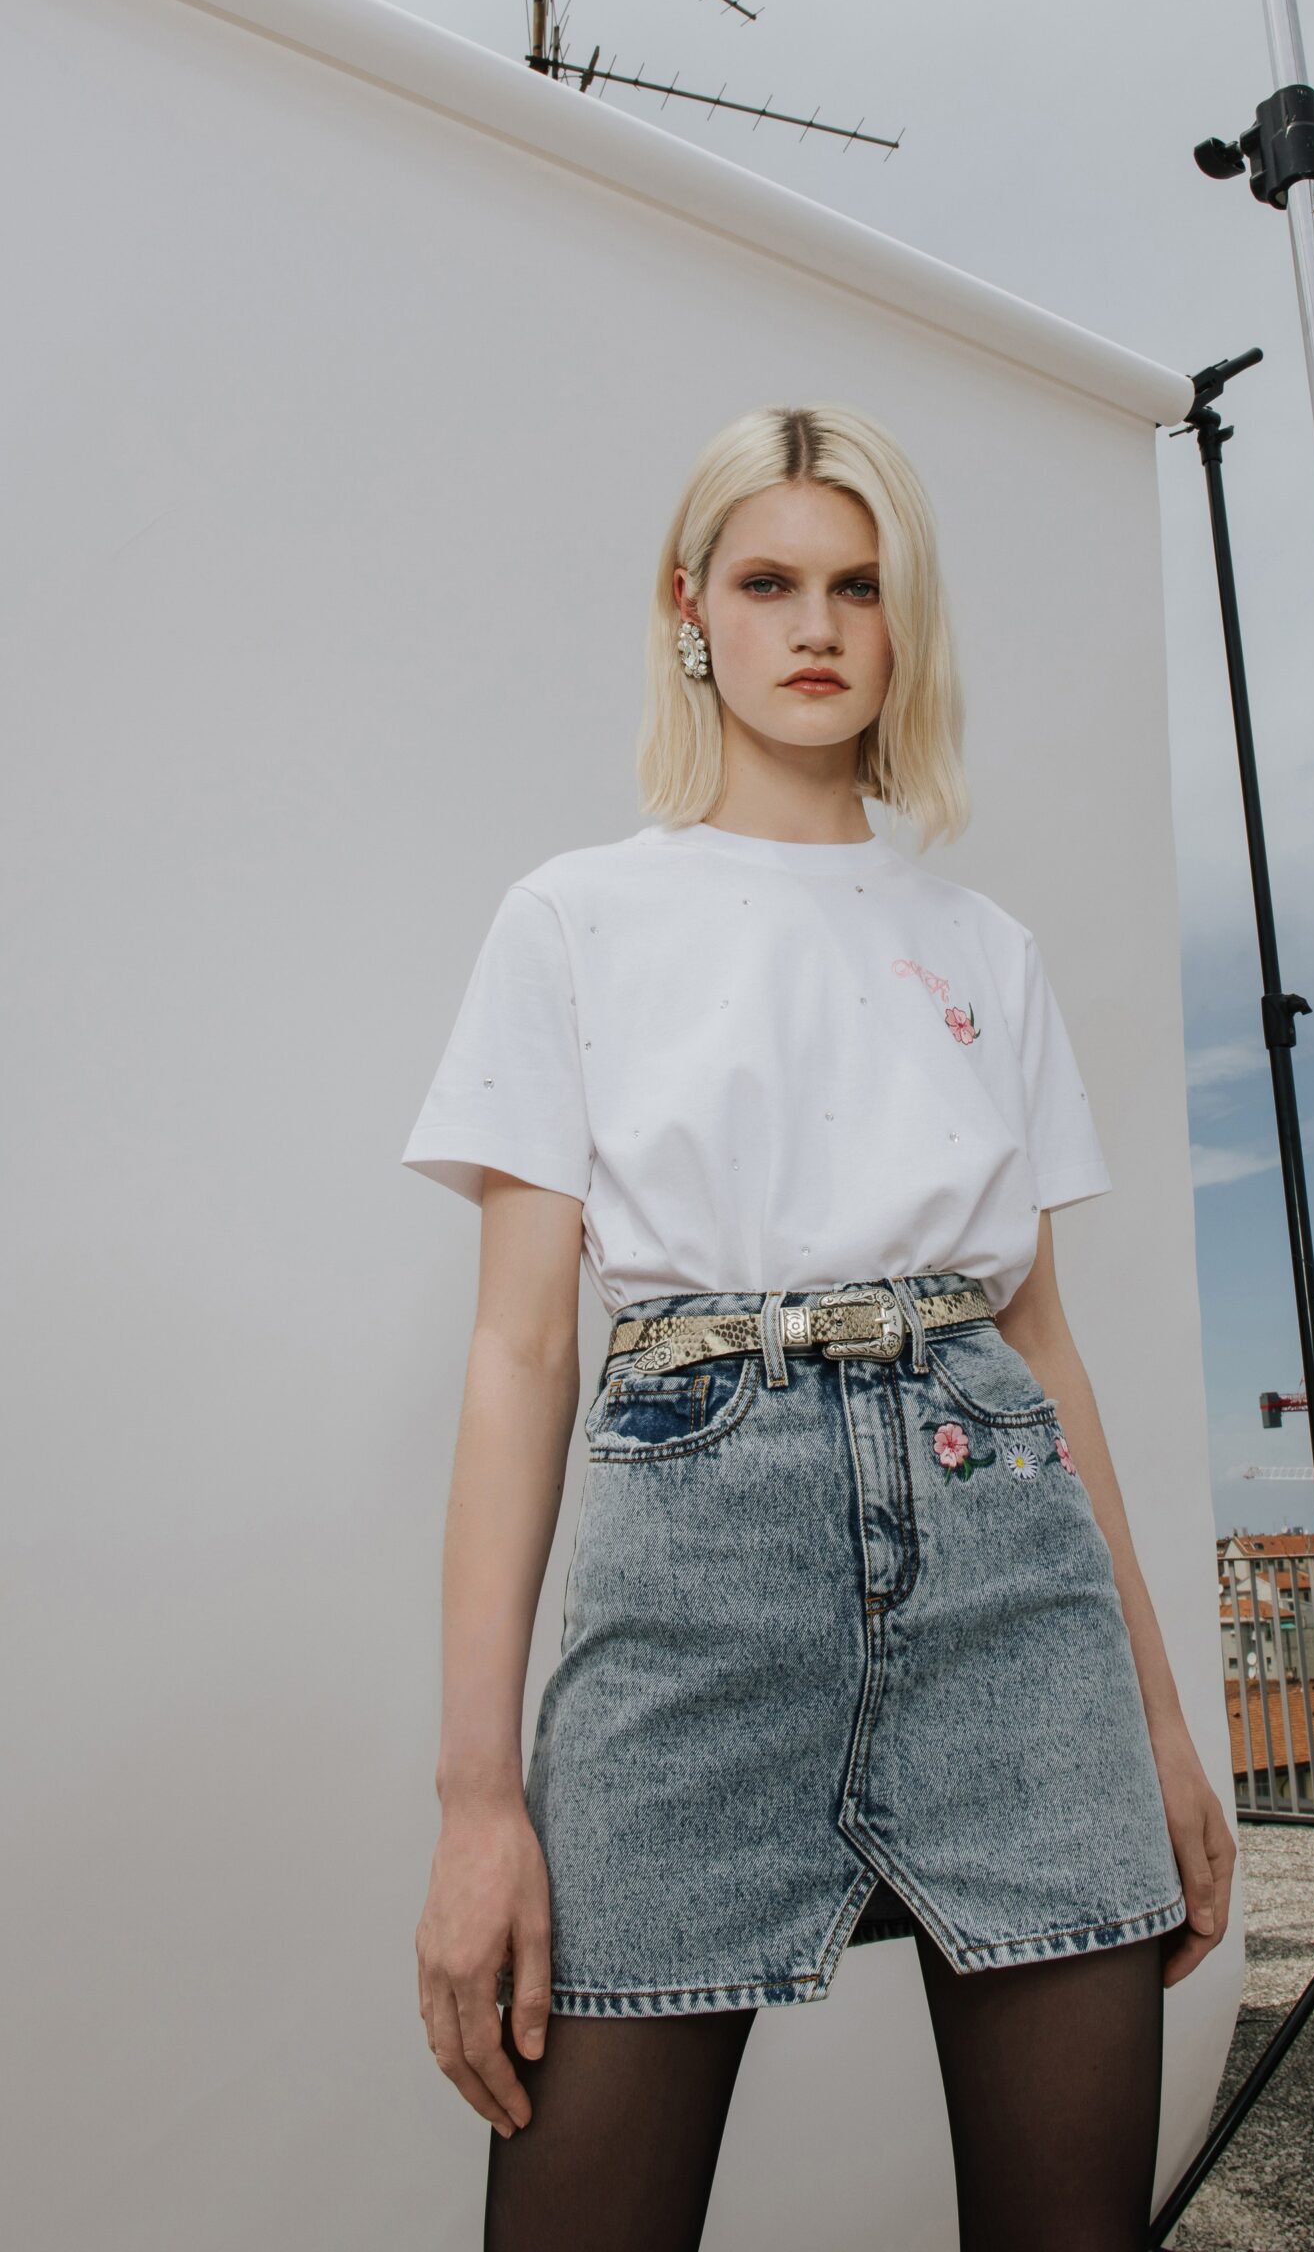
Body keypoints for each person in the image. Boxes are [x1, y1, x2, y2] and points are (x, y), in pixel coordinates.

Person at [403, 402, 1235, 2251]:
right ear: (689, 606)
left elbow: (1046, 1350)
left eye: (859, 586)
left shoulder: (984, 949)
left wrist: (1159, 1731)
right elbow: (521, 1353)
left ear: (901, 622)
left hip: (1011, 1573)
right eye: (770, 580)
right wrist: (480, 1798)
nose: (817, 626)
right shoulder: (575, 920)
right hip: (696, 1568)